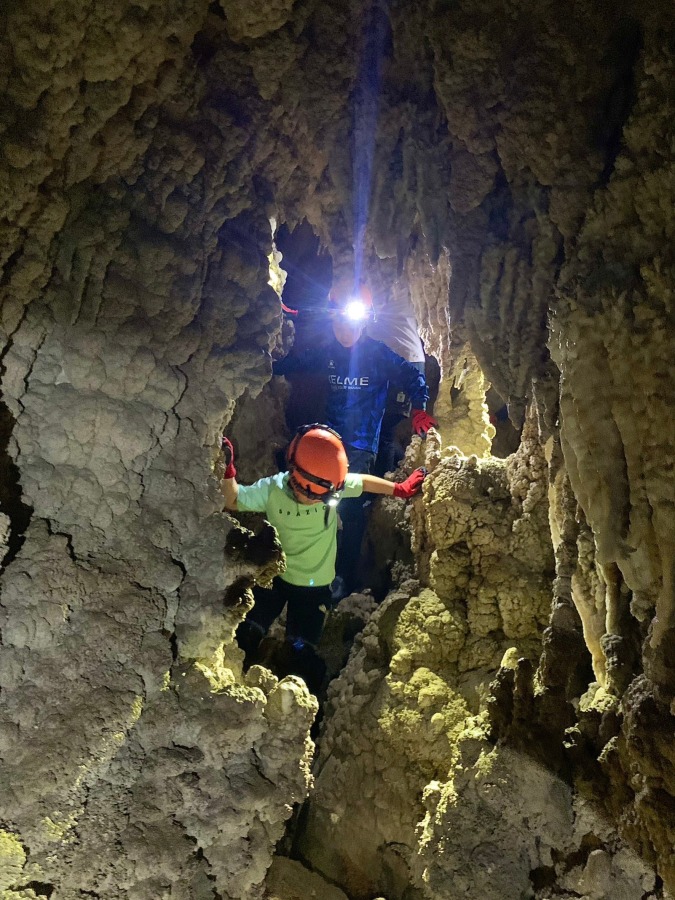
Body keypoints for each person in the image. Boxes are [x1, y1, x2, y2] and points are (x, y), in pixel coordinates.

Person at [220, 425, 426, 692]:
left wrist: (399, 489)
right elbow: (234, 499)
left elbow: (362, 482)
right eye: (310, 494)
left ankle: (294, 698)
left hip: (314, 587)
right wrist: (228, 472)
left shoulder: (332, 485)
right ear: (293, 474)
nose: (318, 500)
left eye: (325, 496)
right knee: (245, 634)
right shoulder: (273, 490)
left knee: (301, 652)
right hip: (274, 578)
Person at [273, 278, 437, 601]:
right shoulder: (330, 352)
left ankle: (343, 577)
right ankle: (303, 569)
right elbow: (302, 362)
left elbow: (412, 374)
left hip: (361, 447)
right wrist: (271, 365)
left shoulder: (376, 354)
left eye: (348, 319)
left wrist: (419, 406)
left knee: (348, 509)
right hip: (330, 443)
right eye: (336, 316)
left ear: (363, 320)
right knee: (313, 500)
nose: (342, 326)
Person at [366, 279, 427, 476]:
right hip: (398, 356)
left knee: (385, 426)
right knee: (383, 425)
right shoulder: (405, 283)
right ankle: (398, 469)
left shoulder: (390, 283)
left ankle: (383, 482)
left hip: (401, 359)